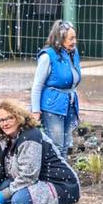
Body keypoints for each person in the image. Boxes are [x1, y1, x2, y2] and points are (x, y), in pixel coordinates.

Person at [0, 98, 80, 204]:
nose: (5, 123)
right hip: (39, 182)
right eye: (1, 120)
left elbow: (28, 176)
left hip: (61, 185)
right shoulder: (5, 139)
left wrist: (5, 194)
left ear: (19, 118)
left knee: (19, 200)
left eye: (10, 118)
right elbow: (6, 165)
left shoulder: (30, 137)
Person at [31, 19, 81, 159]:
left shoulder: (72, 53)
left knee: (66, 145)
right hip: (52, 106)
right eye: (71, 38)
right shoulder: (48, 56)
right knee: (56, 145)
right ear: (60, 38)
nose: (74, 41)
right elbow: (37, 85)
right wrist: (36, 110)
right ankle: (52, 176)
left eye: (75, 37)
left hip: (69, 104)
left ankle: (62, 176)